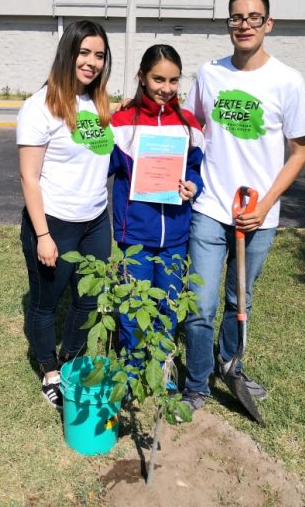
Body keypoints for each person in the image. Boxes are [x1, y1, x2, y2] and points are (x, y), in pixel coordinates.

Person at [180, 0, 305, 413]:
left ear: (267, 24)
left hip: (258, 215)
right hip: (210, 207)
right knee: (201, 303)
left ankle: (229, 364)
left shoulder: (287, 81)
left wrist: (265, 205)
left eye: (254, 17)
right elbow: (191, 127)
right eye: (237, 17)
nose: (245, 25)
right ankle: (197, 383)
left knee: (240, 299)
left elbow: (299, 151)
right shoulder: (209, 73)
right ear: (229, 24)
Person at [16, 20, 114, 409]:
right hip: (55, 223)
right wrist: (43, 235)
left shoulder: (99, 104)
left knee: (87, 300)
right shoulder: (39, 107)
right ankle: (50, 372)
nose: (92, 62)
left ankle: (70, 360)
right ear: (68, 53)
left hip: (96, 221)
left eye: (99, 55)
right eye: (84, 52)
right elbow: (29, 177)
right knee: (45, 303)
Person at [110, 44, 204, 386]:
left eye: (173, 80)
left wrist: (193, 185)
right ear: (142, 77)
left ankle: (163, 366)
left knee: (168, 305)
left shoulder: (189, 124)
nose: (166, 88)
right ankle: (132, 368)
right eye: (158, 79)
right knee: (133, 305)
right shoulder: (122, 123)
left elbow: (196, 169)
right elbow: (100, 166)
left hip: (175, 236)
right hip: (134, 235)